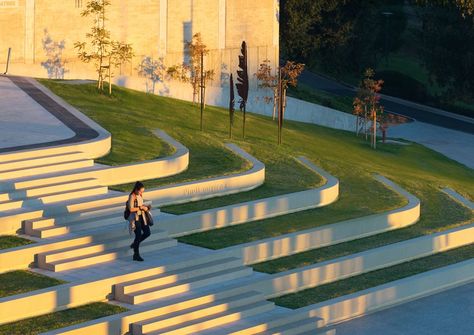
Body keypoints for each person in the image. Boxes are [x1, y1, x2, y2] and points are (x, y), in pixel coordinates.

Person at [127, 181, 151, 261]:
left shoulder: (139, 195)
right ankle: (136, 254)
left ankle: (134, 244)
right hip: (135, 218)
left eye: (142, 191)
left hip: (142, 216)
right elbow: (131, 209)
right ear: (136, 190)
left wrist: (146, 207)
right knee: (138, 235)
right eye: (140, 191)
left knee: (147, 232)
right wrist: (141, 208)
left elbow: (140, 204)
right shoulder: (132, 196)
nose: (141, 192)